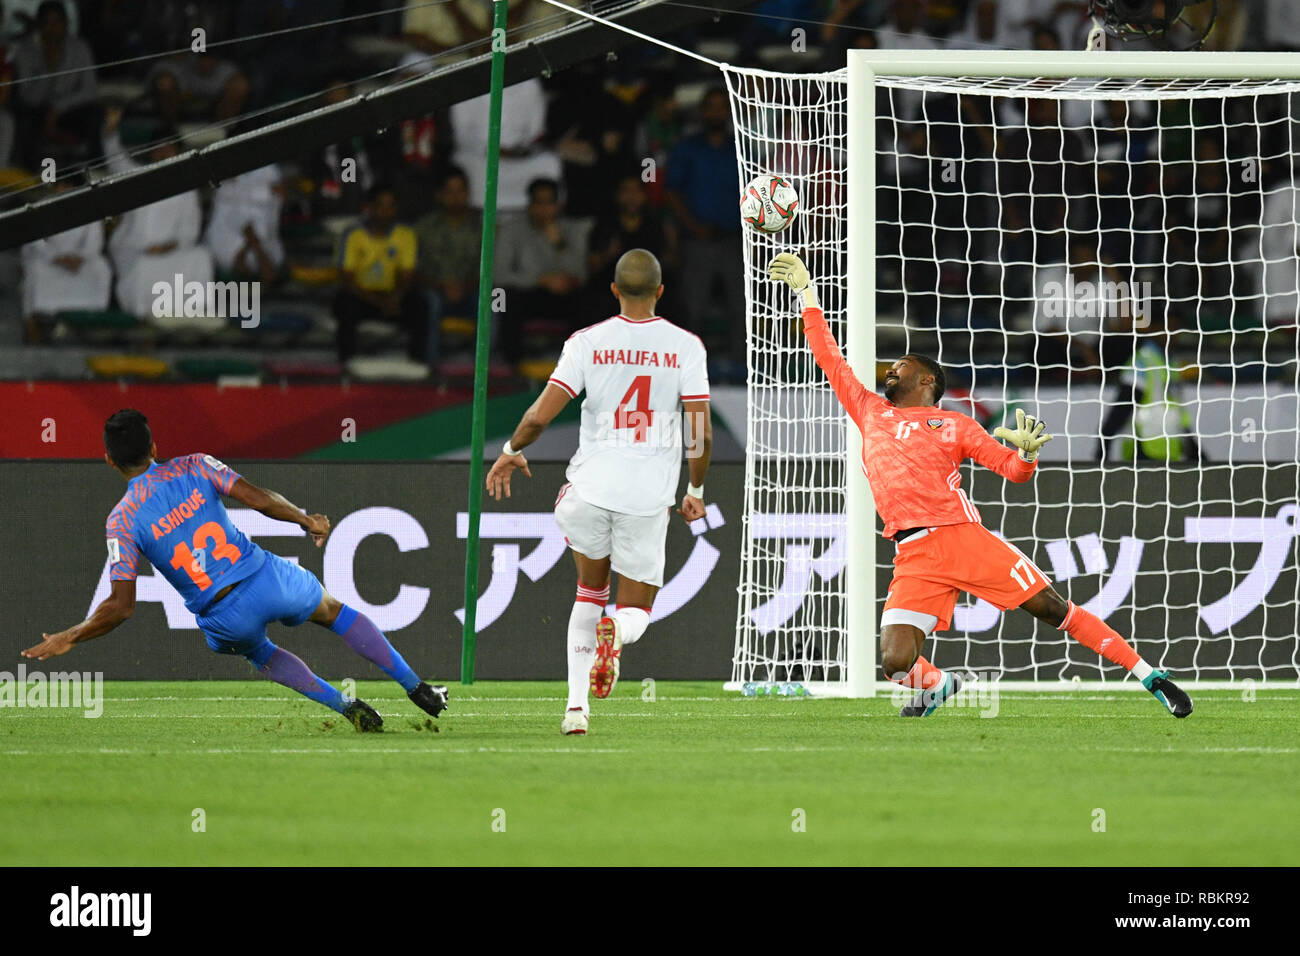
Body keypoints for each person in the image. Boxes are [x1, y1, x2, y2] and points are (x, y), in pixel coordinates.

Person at [767, 251, 1192, 719]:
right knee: (893, 663)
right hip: (913, 554)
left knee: (1054, 610)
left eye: (900, 366)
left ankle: (1151, 676)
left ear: (926, 379)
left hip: (961, 537)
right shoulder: (870, 410)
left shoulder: (954, 425)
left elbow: (1012, 471)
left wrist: (1027, 454)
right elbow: (829, 355)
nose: (890, 370)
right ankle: (938, 685)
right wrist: (807, 293)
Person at [22, 410, 449, 732]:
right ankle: (417, 687)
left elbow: (120, 607)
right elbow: (259, 499)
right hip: (264, 578)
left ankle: (345, 707)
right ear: (154, 448)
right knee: (333, 611)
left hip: (223, 617)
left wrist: (71, 635)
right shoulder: (195, 465)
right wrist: (307, 520)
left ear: (110, 462)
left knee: (259, 653)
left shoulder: (121, 520)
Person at [484, 249, 712, 736]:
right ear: (661, 291)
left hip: (588, 490)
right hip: (647, 496)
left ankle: (574, 710)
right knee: (635, 610)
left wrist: (509, 450)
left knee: (588, 591)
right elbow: (702, 434)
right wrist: (694, 488)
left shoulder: (587, 342)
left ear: (613, 290)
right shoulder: (685, 346)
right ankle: (618, 633)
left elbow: (538, 417)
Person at [333, 184, 428, 367]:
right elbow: (347, 279)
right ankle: (347, 364)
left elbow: (408, 276)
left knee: (420, 304)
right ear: (369, 207)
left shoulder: (405, 234)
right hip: (361, 297)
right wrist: (379, 302)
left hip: (393, 297)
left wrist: (393, 299)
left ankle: (418, 363)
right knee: (344, 303)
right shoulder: (353, 234)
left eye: (390, 206)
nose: (385, 211)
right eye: (380, 205)